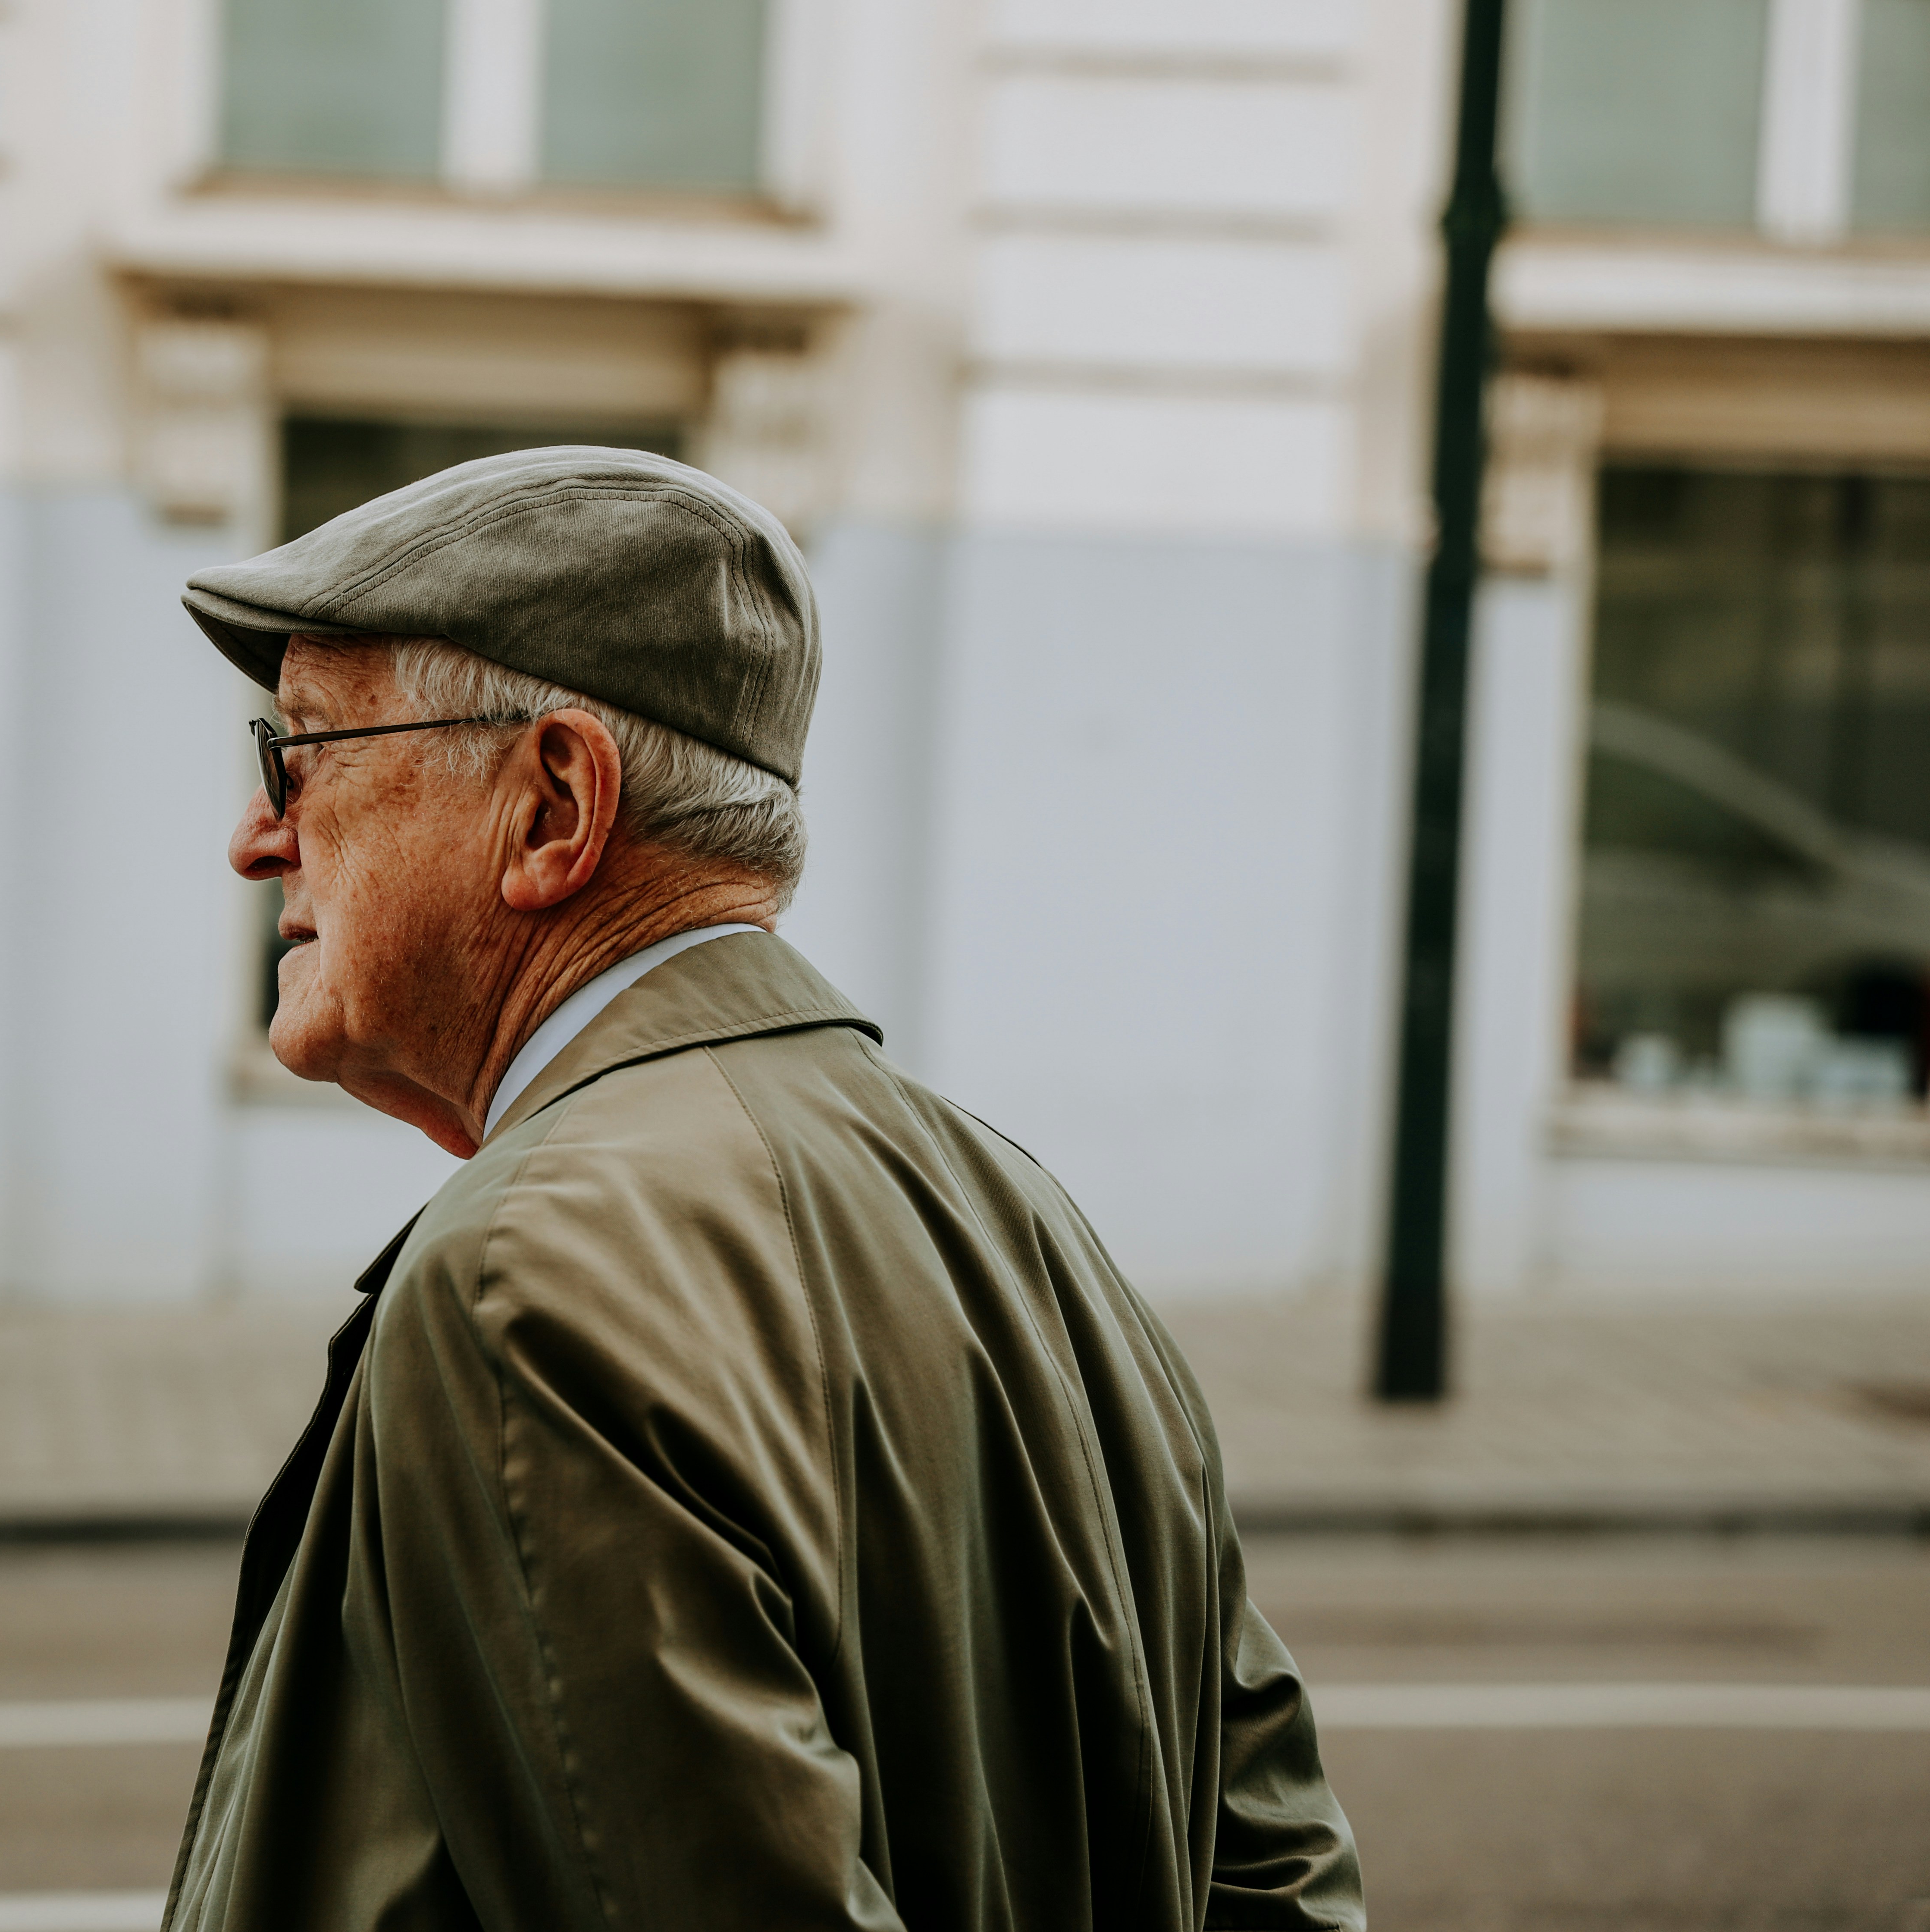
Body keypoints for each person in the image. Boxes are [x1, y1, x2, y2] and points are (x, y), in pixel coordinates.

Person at [166, 447, 1364, 1932]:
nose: (255, 836)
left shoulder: (525, 1274)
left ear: (551, 807)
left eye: (304, 753)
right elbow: (1278, 1869)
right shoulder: (1028, 1222)